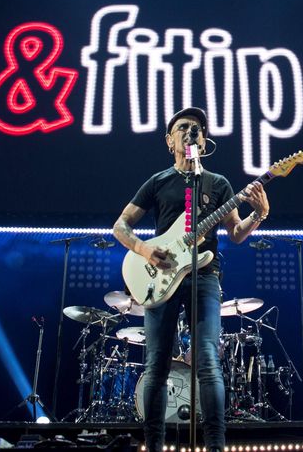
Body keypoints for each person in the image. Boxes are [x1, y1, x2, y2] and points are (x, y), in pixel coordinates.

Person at [112, 107, 270, 452]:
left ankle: (215, 446)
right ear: (169, 141)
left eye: (196, 127)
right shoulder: (158, 181)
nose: (190, 131)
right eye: (182, 127)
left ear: (204, 139)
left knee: (208, 362)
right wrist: (144, 250)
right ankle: (154, 445)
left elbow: (236, 233)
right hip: (161, 278)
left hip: (205, 276)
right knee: (156, 365)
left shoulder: (218, 184)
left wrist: (259, 214)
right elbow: (120, 226)